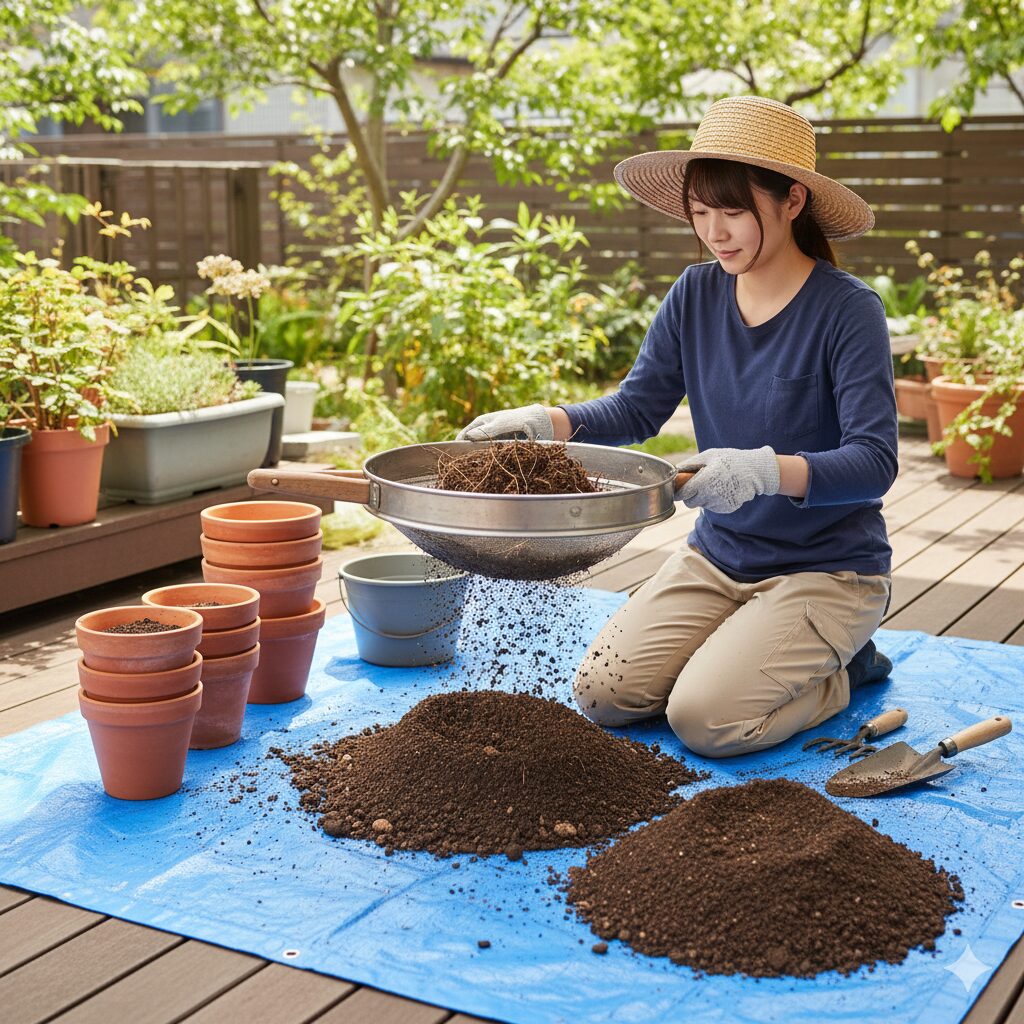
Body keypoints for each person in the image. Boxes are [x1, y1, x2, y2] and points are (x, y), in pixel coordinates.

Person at [457, 95, 897, 759]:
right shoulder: (695, 294)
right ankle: (753, 646)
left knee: (704, 720)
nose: (714, 232)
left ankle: (845, 668)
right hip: (719, 555)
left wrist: (763, 469)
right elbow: (637, 407)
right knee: (605, 695)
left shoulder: (847, 310)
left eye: (732, 211)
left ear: (792, 201)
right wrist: (544, 422)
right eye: (700, 212)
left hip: (829, 570)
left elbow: (874, 463)